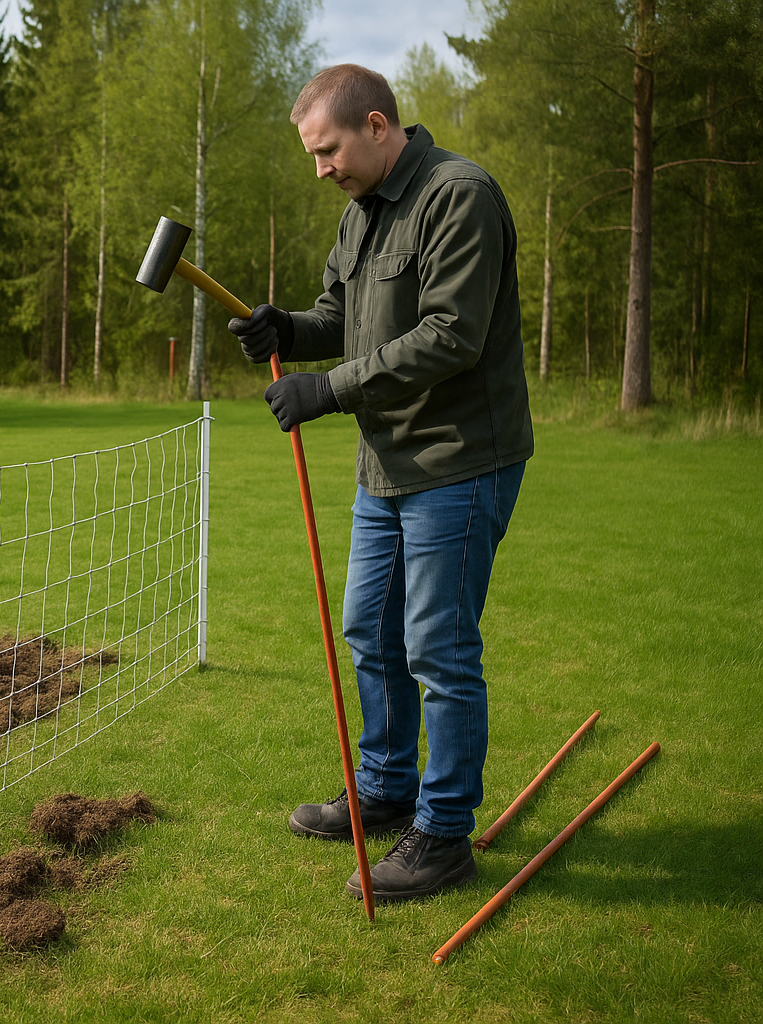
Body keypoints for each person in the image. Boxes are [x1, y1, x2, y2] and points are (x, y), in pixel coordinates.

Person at [230, 64, 534, 902]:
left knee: (438, 649)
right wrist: (287, 326)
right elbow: (341, 316)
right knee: (371, 629)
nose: (320, 169)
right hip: (386, 466)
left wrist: (324, 389)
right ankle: (388, 788)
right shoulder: (360, 216)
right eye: (312, 156)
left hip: (459, 460)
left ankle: (442, 834)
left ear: (374, 124)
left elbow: (451, 335)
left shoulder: (457, 195)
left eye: (327, 151)